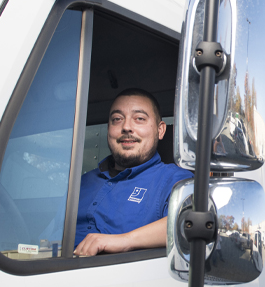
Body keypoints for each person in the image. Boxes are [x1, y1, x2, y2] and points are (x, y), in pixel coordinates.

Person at [74, 88, 191, 257]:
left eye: (139, 119)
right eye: (117, 119)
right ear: (108, 129)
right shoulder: (80, 184)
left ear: (160, 130)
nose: (126, 127)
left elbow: (188, 222)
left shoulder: (175, 180)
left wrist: (124, 241)